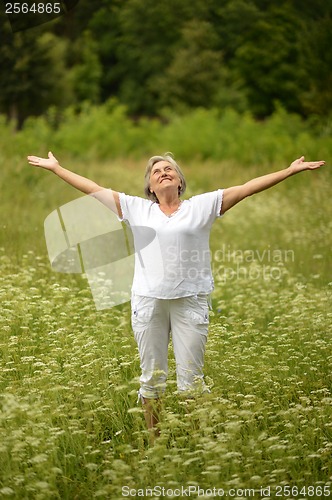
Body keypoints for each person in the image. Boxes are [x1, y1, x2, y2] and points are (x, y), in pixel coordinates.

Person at [27, 151, 325, 439]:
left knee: (191, 382)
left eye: (169, 169)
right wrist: (57, 168)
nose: (163, 172)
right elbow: (93, 188)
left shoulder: (202, 206)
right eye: (157, 172)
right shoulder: (136, 208)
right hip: (148, 303)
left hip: (191, 302)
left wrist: (289, 171)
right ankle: (155, 443)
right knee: (152, 379)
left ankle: (197, 443)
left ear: (179, 181)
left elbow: (246, 188)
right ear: (151, 187)